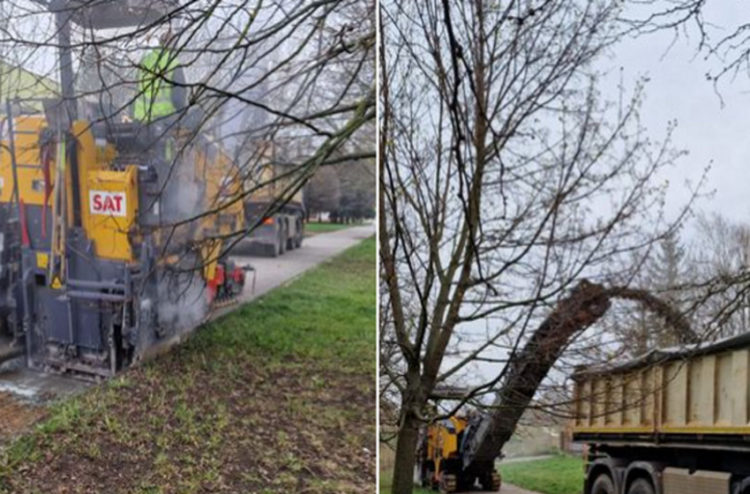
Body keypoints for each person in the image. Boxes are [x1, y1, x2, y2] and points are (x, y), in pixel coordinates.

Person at [133, 30, 187, 122]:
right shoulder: (173, 64)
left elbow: (135, 88)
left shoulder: (145, 61)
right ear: (174, 45)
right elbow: (178, 99)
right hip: (164, 120)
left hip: (141, 120)